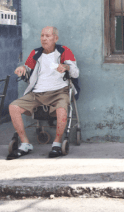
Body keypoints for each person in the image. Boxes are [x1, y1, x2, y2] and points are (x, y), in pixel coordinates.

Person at [7, 26, 79, 159]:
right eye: (42, 36)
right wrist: (21, 69)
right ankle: (25, 143)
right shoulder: (35, 53)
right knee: (13, 107)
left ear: (55, 38)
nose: (44, 39)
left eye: (47, 36)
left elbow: (75, 72)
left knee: (62, 108)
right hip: (37, 93)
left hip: (59, 91)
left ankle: (56, 143)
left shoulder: (64, 51)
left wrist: (66, 66)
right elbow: (27, 69)